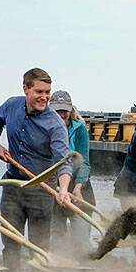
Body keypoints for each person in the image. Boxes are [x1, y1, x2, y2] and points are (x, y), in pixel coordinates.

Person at [0, 68, 74, 272]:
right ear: (25, 89)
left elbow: (64, 162)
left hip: (41, 188)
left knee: (38, 249)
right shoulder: (11, 105)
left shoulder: (55, 124)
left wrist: (63, 189)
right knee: (11, 244)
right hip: (12, 185)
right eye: (39, 91)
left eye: (47, 92)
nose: (44, 97)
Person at [50, 90, 95, 251]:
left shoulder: (80, 129)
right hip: (53, 187)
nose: (61, 114)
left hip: (78, 186)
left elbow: (85, 163)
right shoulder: (44, 127)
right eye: (57, 110)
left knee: (81, 240)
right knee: (56, 239)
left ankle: (83, 269)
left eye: (64, 110)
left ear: (71, 109)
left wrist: (78, 187)